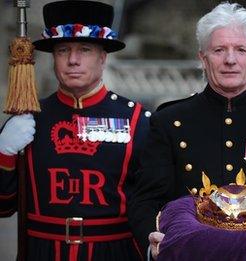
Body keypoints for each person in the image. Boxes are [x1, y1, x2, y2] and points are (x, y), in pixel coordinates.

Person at [128, 3, 246, 260]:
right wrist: (151, 238)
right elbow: (146, 201)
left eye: (241, 50)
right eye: (219, 50)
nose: (230, 60)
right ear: (202, 58)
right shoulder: (169, 121)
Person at [0, 1, 150, 260]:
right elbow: (3, 207)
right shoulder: (28, 119)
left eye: (84, 49)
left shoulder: (138, 120)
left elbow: (152, 205)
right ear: (53, 57)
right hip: (42, 252)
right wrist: (3, 153)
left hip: (114, 253)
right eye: (63, 50)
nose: (72, 60)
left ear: (103, 57)